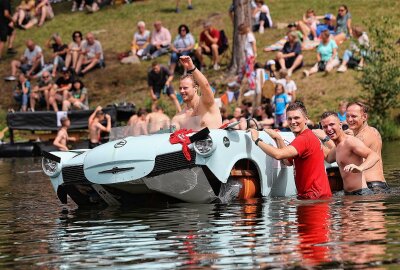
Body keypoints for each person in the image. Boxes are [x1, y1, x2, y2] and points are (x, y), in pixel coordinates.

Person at [247, 101, 332, 200]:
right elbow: (286, 161)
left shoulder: (304, 139)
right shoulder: (305, 137)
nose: (292, 122)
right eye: (289, 118)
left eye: (296, 118)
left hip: (315, 199)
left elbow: (278, 155)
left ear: (306, 119)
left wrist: (257, 140)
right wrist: (278, 138)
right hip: (314, 197)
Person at [315, 111, 380, 195]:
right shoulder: (337, 146)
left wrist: (360, 168)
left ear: (340, 124)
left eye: (331, 124)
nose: (329, 129)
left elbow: (374, 156)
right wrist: (314, 141)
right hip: (348, 195)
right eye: (325, 127)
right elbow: (328, 158)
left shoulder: (350, 142)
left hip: (361, 194)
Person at [346, 102, 389, 193]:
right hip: (379, 185)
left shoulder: (362, 137)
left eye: (354, 116)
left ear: (364, 117)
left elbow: (335, 156)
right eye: (347, 116)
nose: (349, 120)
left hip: (371, 187)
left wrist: (326, 138)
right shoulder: (373, 131)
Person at [172, 55, 222, 129]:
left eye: (185, 88)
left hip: (215, 140)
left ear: (195, 88)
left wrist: (192, 67)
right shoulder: (178, 118)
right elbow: (170, 135)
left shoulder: (206, 102)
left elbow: (206, 86)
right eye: (180, 88)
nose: (182, 91)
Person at [236, 23, 256, 91]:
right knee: (243, 70)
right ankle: (238, 82)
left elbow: (253, 45)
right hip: (247, 56)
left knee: (249, 72)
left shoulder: (250, 35)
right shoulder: (248, 35)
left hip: (250, 56)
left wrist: (254, 54)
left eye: (241, 31)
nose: (240, 33)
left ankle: (252, 87)